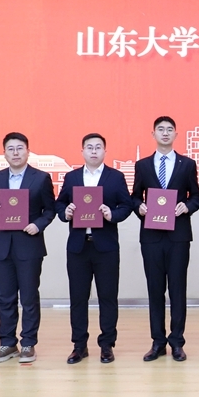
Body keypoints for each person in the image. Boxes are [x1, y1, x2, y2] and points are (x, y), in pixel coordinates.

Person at [55, 133, 133, 364]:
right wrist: (65, 212)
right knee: (78, 298)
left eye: (98, 147)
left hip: (106, 247)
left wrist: (112, 215)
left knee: (108, 297)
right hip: (78, 247)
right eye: (89, 147)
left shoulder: (115, 177)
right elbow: (60, 204)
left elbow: (126, 205)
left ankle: (107, 345)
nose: (94, 151)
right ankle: (79, 346)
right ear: (82, 151)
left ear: (105, 151)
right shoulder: (71, 177)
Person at [131, 116, 199, 362]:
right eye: (160, 129)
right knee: (155, 289)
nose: (165, 133)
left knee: (178, 289)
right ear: (153, 134)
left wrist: (187, 206)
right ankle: (158, 342)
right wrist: (139, 207)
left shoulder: (187, 164)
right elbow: (134, 196)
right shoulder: (142, 165)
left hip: (178, 236)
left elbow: (196, 196)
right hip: (151, 236)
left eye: (170, 129)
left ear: (175, 135)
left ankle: (177, 342)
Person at [0, 132, 56, 364]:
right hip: (2, 247)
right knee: (5, 298)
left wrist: (38, 225)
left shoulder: (41, 178)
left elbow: (50, 210)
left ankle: (28, 343)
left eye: (20, 148)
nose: (15, 153)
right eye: (11, 149)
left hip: (29, 245)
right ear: (4, 153)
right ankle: (7, 343)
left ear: (28, 151)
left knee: (29, 297)